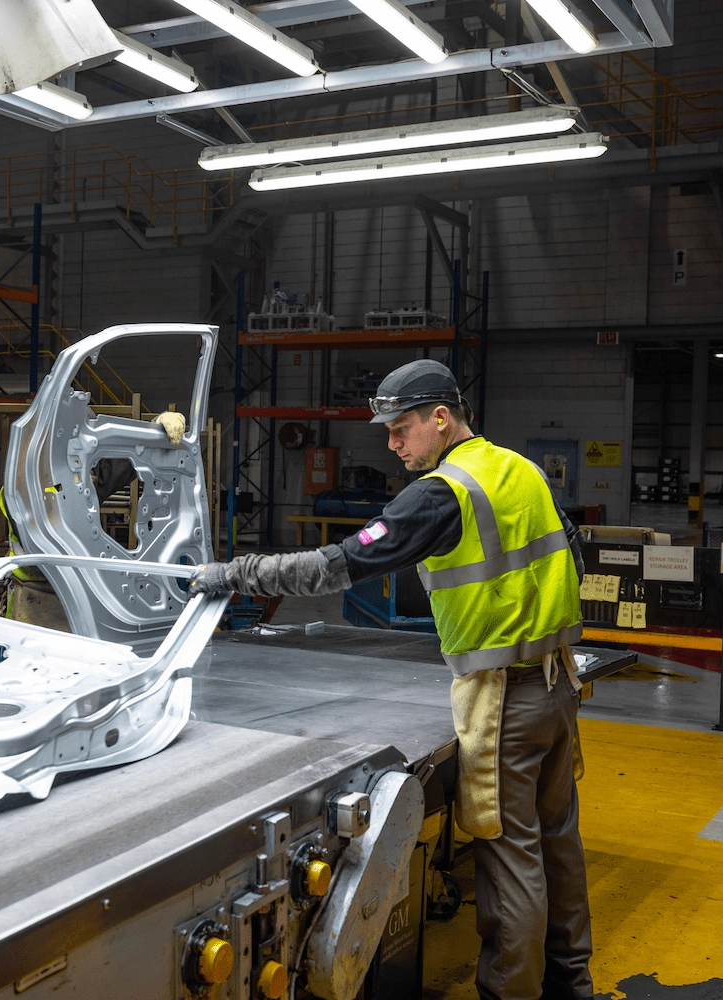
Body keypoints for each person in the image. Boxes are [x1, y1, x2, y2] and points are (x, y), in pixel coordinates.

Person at [190, 359, 593, 1000]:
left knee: (510, 855)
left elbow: (336, 565)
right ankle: (572, 983)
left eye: (401, 429)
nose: (393, 444)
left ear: (442, 418)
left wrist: (237, 574)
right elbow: (571, 555)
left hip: (502, 702)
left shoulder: (442, 493)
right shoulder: (521, 469)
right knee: (558, 842)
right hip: (557, 686)